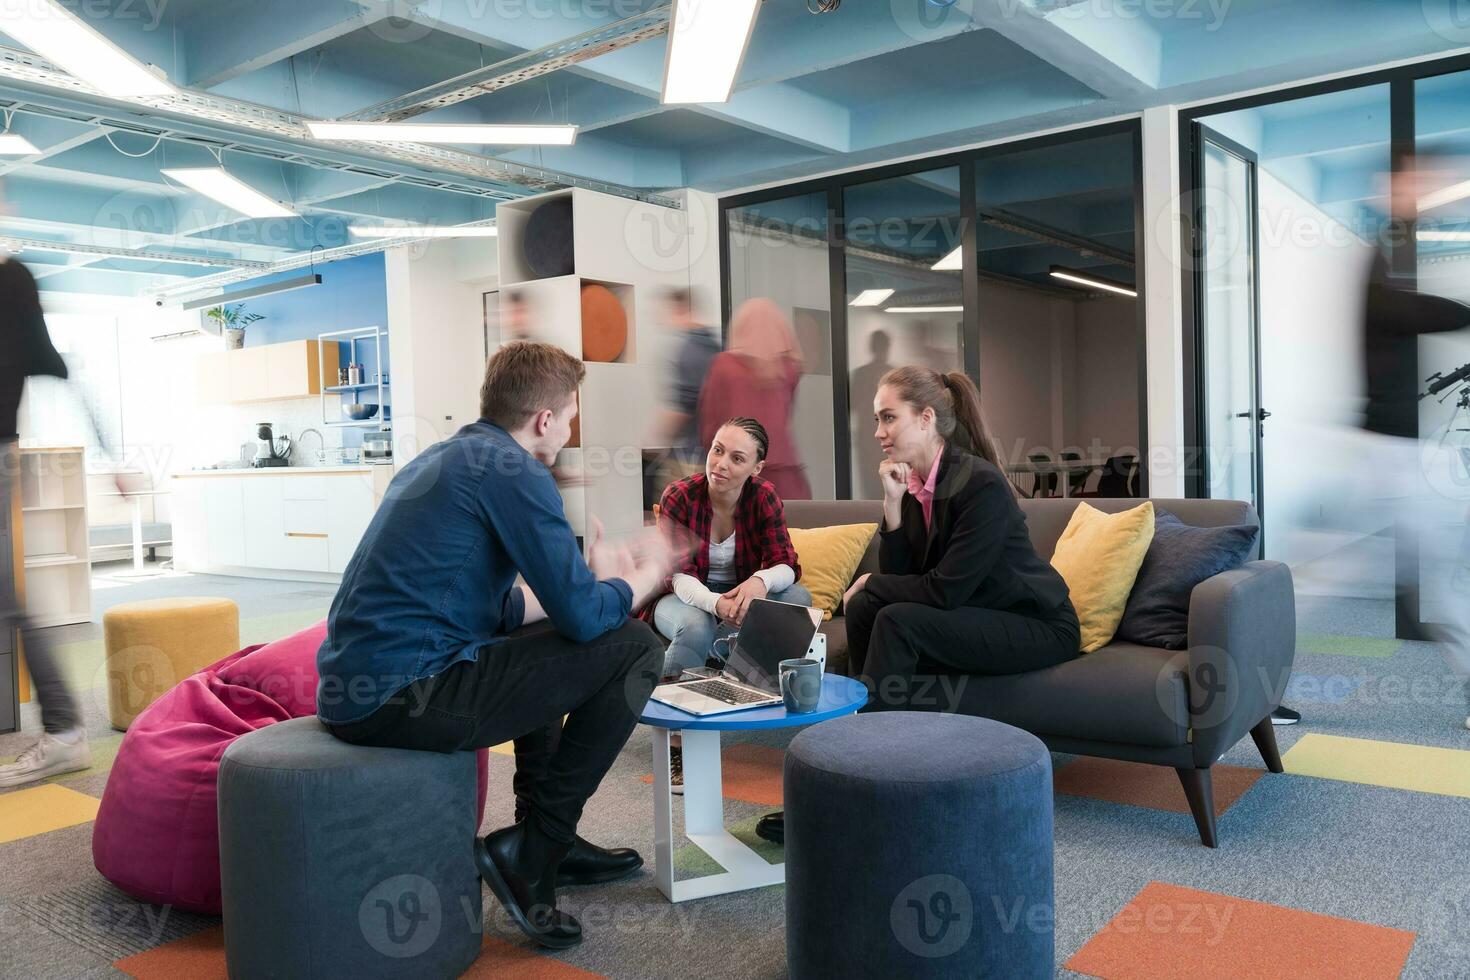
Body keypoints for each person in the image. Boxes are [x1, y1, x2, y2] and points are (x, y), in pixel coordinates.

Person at [317, 341, 672, 950]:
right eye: (569, 418)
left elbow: (486, 605)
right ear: (543, 420)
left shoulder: (449, 456)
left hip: (360, 689)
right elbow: (591, 622)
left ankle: (541, 837)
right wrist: (647, 572)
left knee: (548, 628)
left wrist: (584, 588)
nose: (567, 431)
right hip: (406, 695)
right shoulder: (517, 473)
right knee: (635, 645)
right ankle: (537, 849)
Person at [843, 365, 1081, 709]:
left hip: (1036, 624)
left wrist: (868, 580)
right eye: (876, 420)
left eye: (889, 418)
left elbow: (944, 590)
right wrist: (892, 505)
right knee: (866, 608)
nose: (879, 432)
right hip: (976, 611)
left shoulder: (979, 483)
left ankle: (877, 743)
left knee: (896, 620)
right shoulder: (913, 485)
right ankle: (871, 719)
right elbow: (900, 580)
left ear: (926, 418)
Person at [0, 257, 137, 788]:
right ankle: (63, 730)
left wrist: (110, 456)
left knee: (10, 603)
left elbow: (61, 368)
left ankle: (64, 731)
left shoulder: (10, 279)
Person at [651, 416, 811, 679]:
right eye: (717, 450)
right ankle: (669, 710)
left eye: (737, 459)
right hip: (680, 596)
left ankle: (732, 680)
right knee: (696, 625)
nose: (720, 464)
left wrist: (761, 580)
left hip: (739, 594)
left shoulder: (764, 496)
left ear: (756, 468)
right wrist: (716, 604)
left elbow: (786, 563)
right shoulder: (679, 496)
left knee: (798, 599)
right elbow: (678, 575)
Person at [697, 298, 811, 499]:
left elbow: (710, 426)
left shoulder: (723, 365)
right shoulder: (789, 369)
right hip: (786, 474)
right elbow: (786, 416)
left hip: (739, 474)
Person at [649, 286, 721, 483]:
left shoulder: (689, 350)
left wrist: (658, 439)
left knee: (672, 509)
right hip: (713, 452)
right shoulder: (715, 345)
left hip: (689, 455)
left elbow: (684, 406)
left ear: (680, 309)